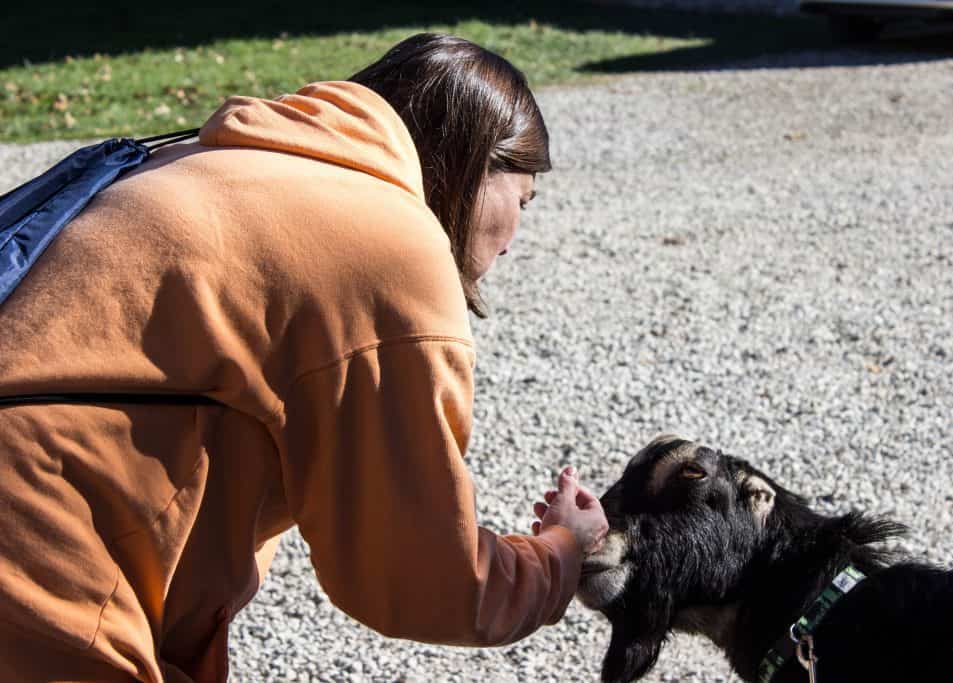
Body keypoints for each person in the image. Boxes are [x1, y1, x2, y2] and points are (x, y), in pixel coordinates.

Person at [0, 33, 608, 682]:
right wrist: (561, 551)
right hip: (39, 571)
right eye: (523, 200)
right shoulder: (388, 247)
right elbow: (418, 574)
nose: (517, 233)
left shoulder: (207, 156)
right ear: (476, 166)